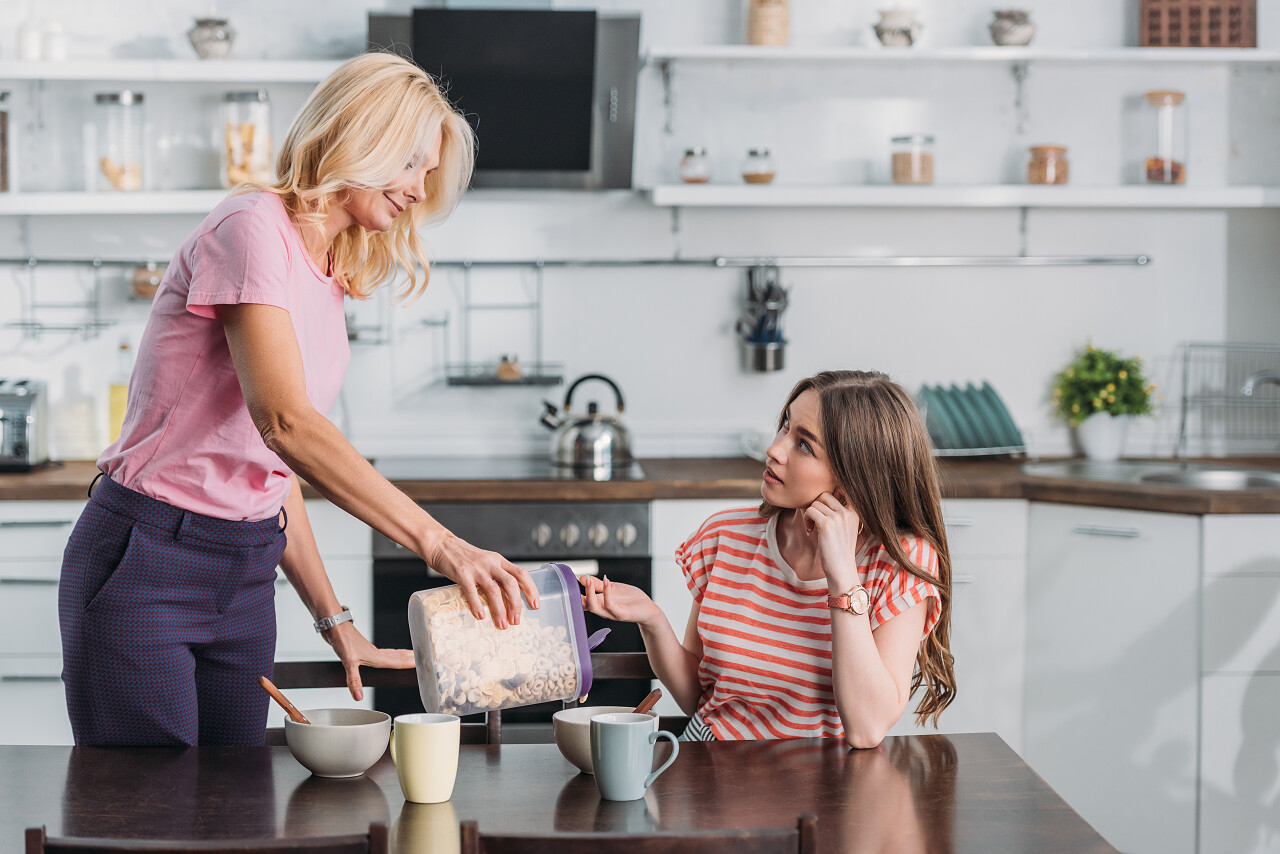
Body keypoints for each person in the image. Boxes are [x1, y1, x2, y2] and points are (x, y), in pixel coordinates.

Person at [58, 52, 538, 748]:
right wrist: (444, 545)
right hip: (150, 557)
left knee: (235, 810)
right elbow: (285, 423)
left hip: (246, 573)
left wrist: (333, 619)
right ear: (357, 136)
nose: (418, 187)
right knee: (151, 816)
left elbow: (271, 469)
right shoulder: (252, 228)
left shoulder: (329, 269)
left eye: (429, 171)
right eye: (410, 162)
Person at [581, 370, 956, 748]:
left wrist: (842, 574)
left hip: (828, 788)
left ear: (856, 477)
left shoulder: (900, 563)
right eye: (786, 427)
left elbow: (866, 728)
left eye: (804, 445)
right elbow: (699, 700)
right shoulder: (724, 537)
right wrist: (653, 621)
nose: (774, 450)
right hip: (711, 765)